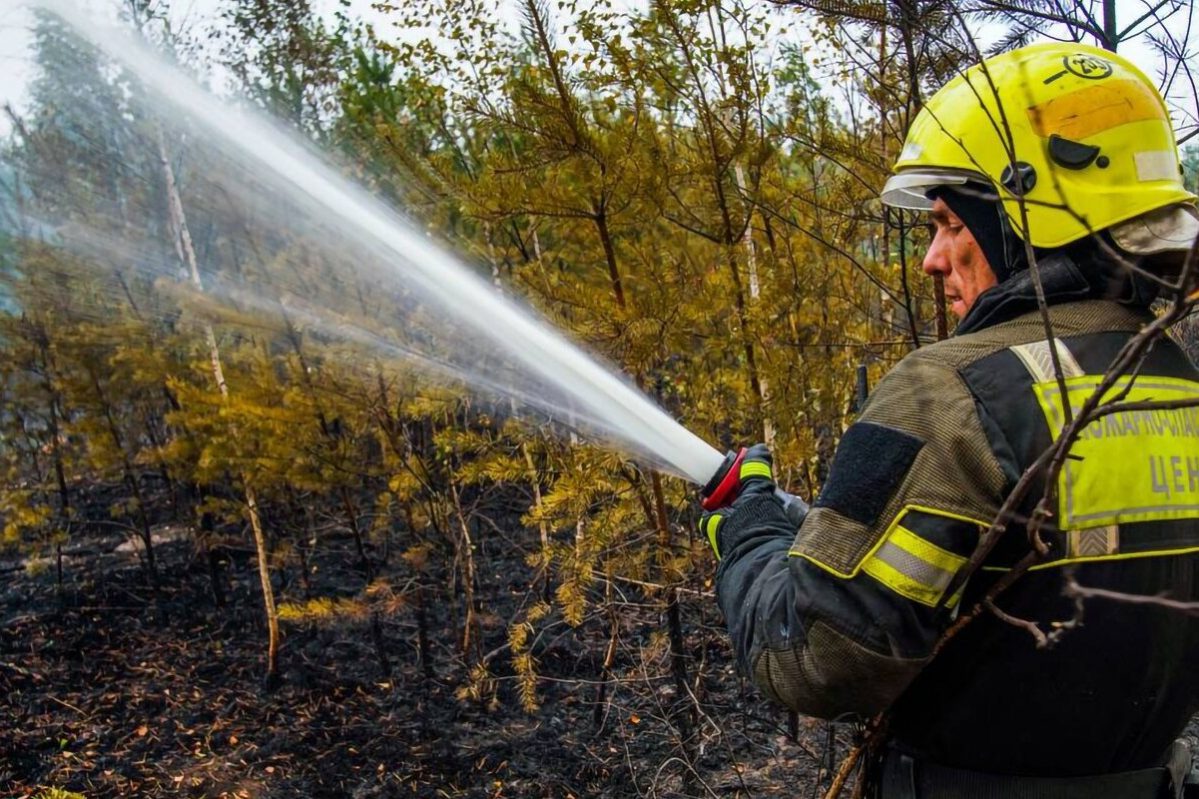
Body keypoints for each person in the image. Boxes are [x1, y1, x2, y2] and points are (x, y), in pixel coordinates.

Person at [700, 42, 1199, 798]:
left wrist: (751, 532)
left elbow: (818, 657)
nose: (933, 259)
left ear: (1020, 218)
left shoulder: (954, 390)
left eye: (950, 223)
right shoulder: (1175, 379)